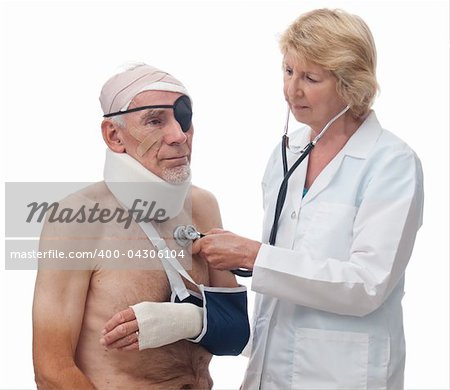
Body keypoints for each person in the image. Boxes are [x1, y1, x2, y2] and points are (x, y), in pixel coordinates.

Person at [192, 9, 424, 390]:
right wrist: (240, 255)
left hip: (341, 373)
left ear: (351, 83)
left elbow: (368, 284)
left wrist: (253, 255)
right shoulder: (289, 151)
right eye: (287, 71)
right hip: (270, 362)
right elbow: (288, 253)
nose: (291, 91)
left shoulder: (391, 164)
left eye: (310, 78)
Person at [32, 63, 245, 389]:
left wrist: (188, 320)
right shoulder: (77, 219)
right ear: (114, 136)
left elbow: (235, 334)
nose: (179, 136)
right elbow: (52, 370)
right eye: (155, 120)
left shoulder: (202, 207)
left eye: (182, 118)